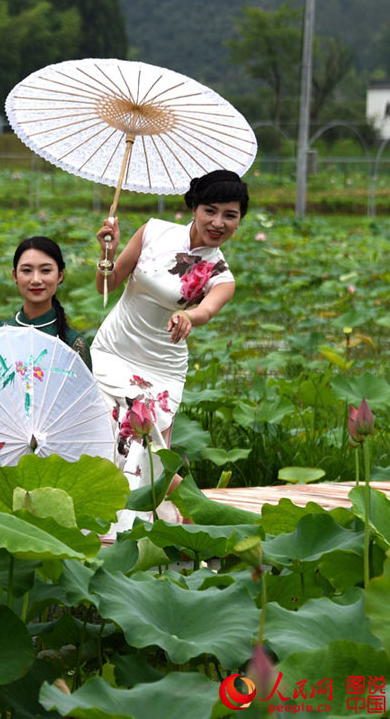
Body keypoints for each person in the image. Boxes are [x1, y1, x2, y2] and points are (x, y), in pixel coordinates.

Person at [91, 169, 249, 530]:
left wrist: (189, 317)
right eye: (211, 210)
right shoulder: (152, 231)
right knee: (104, 435)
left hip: (161, 367)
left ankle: (144, 525)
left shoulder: (221, 275)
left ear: (240, 220)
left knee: (145, 445)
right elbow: (108, 283)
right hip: (113, 350)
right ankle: (108, 518)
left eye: (231, 215)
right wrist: (108, 252)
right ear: (194, 207)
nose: (218, 222)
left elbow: (207, 310)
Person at [0, 236, 91, 370]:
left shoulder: (73, 344)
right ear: (15, 276)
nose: (36, 280)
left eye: (45, 270)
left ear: (60, 276)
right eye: (27, 271)